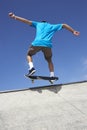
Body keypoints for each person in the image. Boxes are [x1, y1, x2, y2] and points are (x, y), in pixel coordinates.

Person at [9, 12, 80, 80]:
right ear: (47, 23)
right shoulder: (52, 26)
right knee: (49, 60)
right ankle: (52, 76)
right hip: (48, 45)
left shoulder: (38, 24)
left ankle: (31, 68)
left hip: (37, 43)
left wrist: (15, 17)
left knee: (29, 54)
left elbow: (26, 21)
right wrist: (73, 31)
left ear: (42, 22)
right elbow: (64, 25)